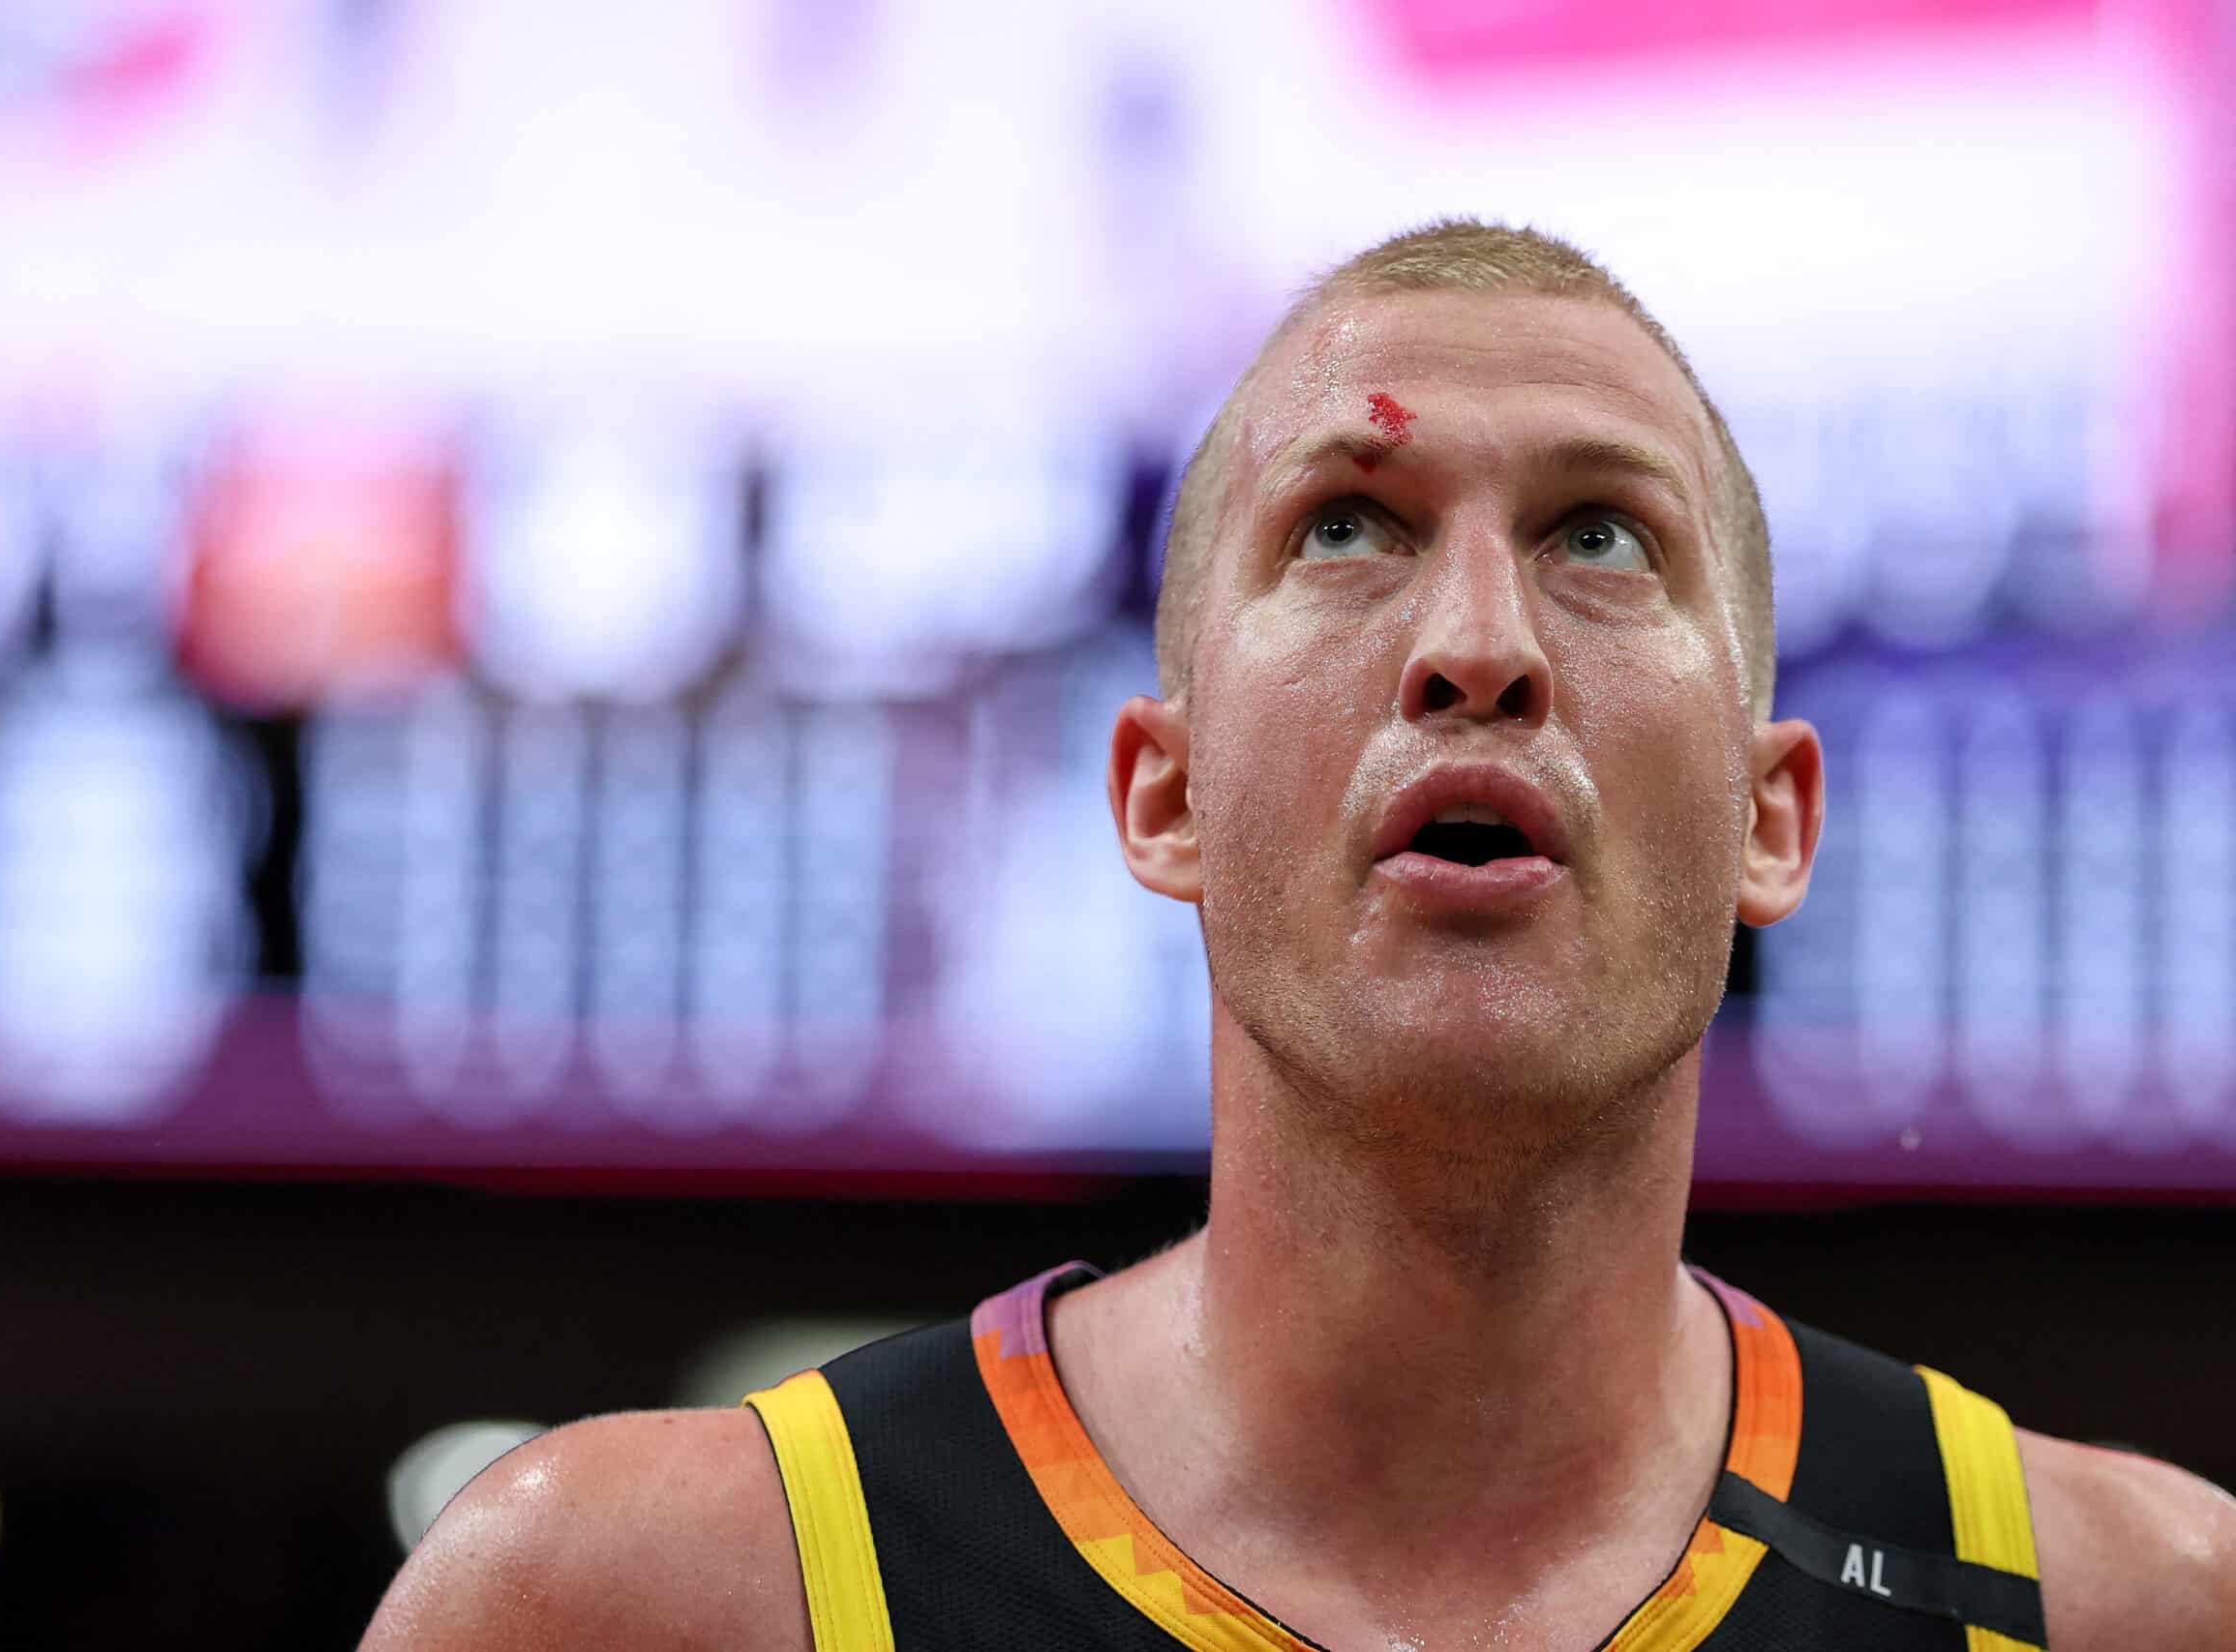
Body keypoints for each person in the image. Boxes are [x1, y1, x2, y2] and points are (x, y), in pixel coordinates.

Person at [358, 220, 2233, 1651]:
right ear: (1158, 795)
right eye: (1345, 523)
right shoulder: (628, 1598)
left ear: (1769, 818)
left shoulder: (2137, 1607)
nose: (1474, 641)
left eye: (1599, 537)